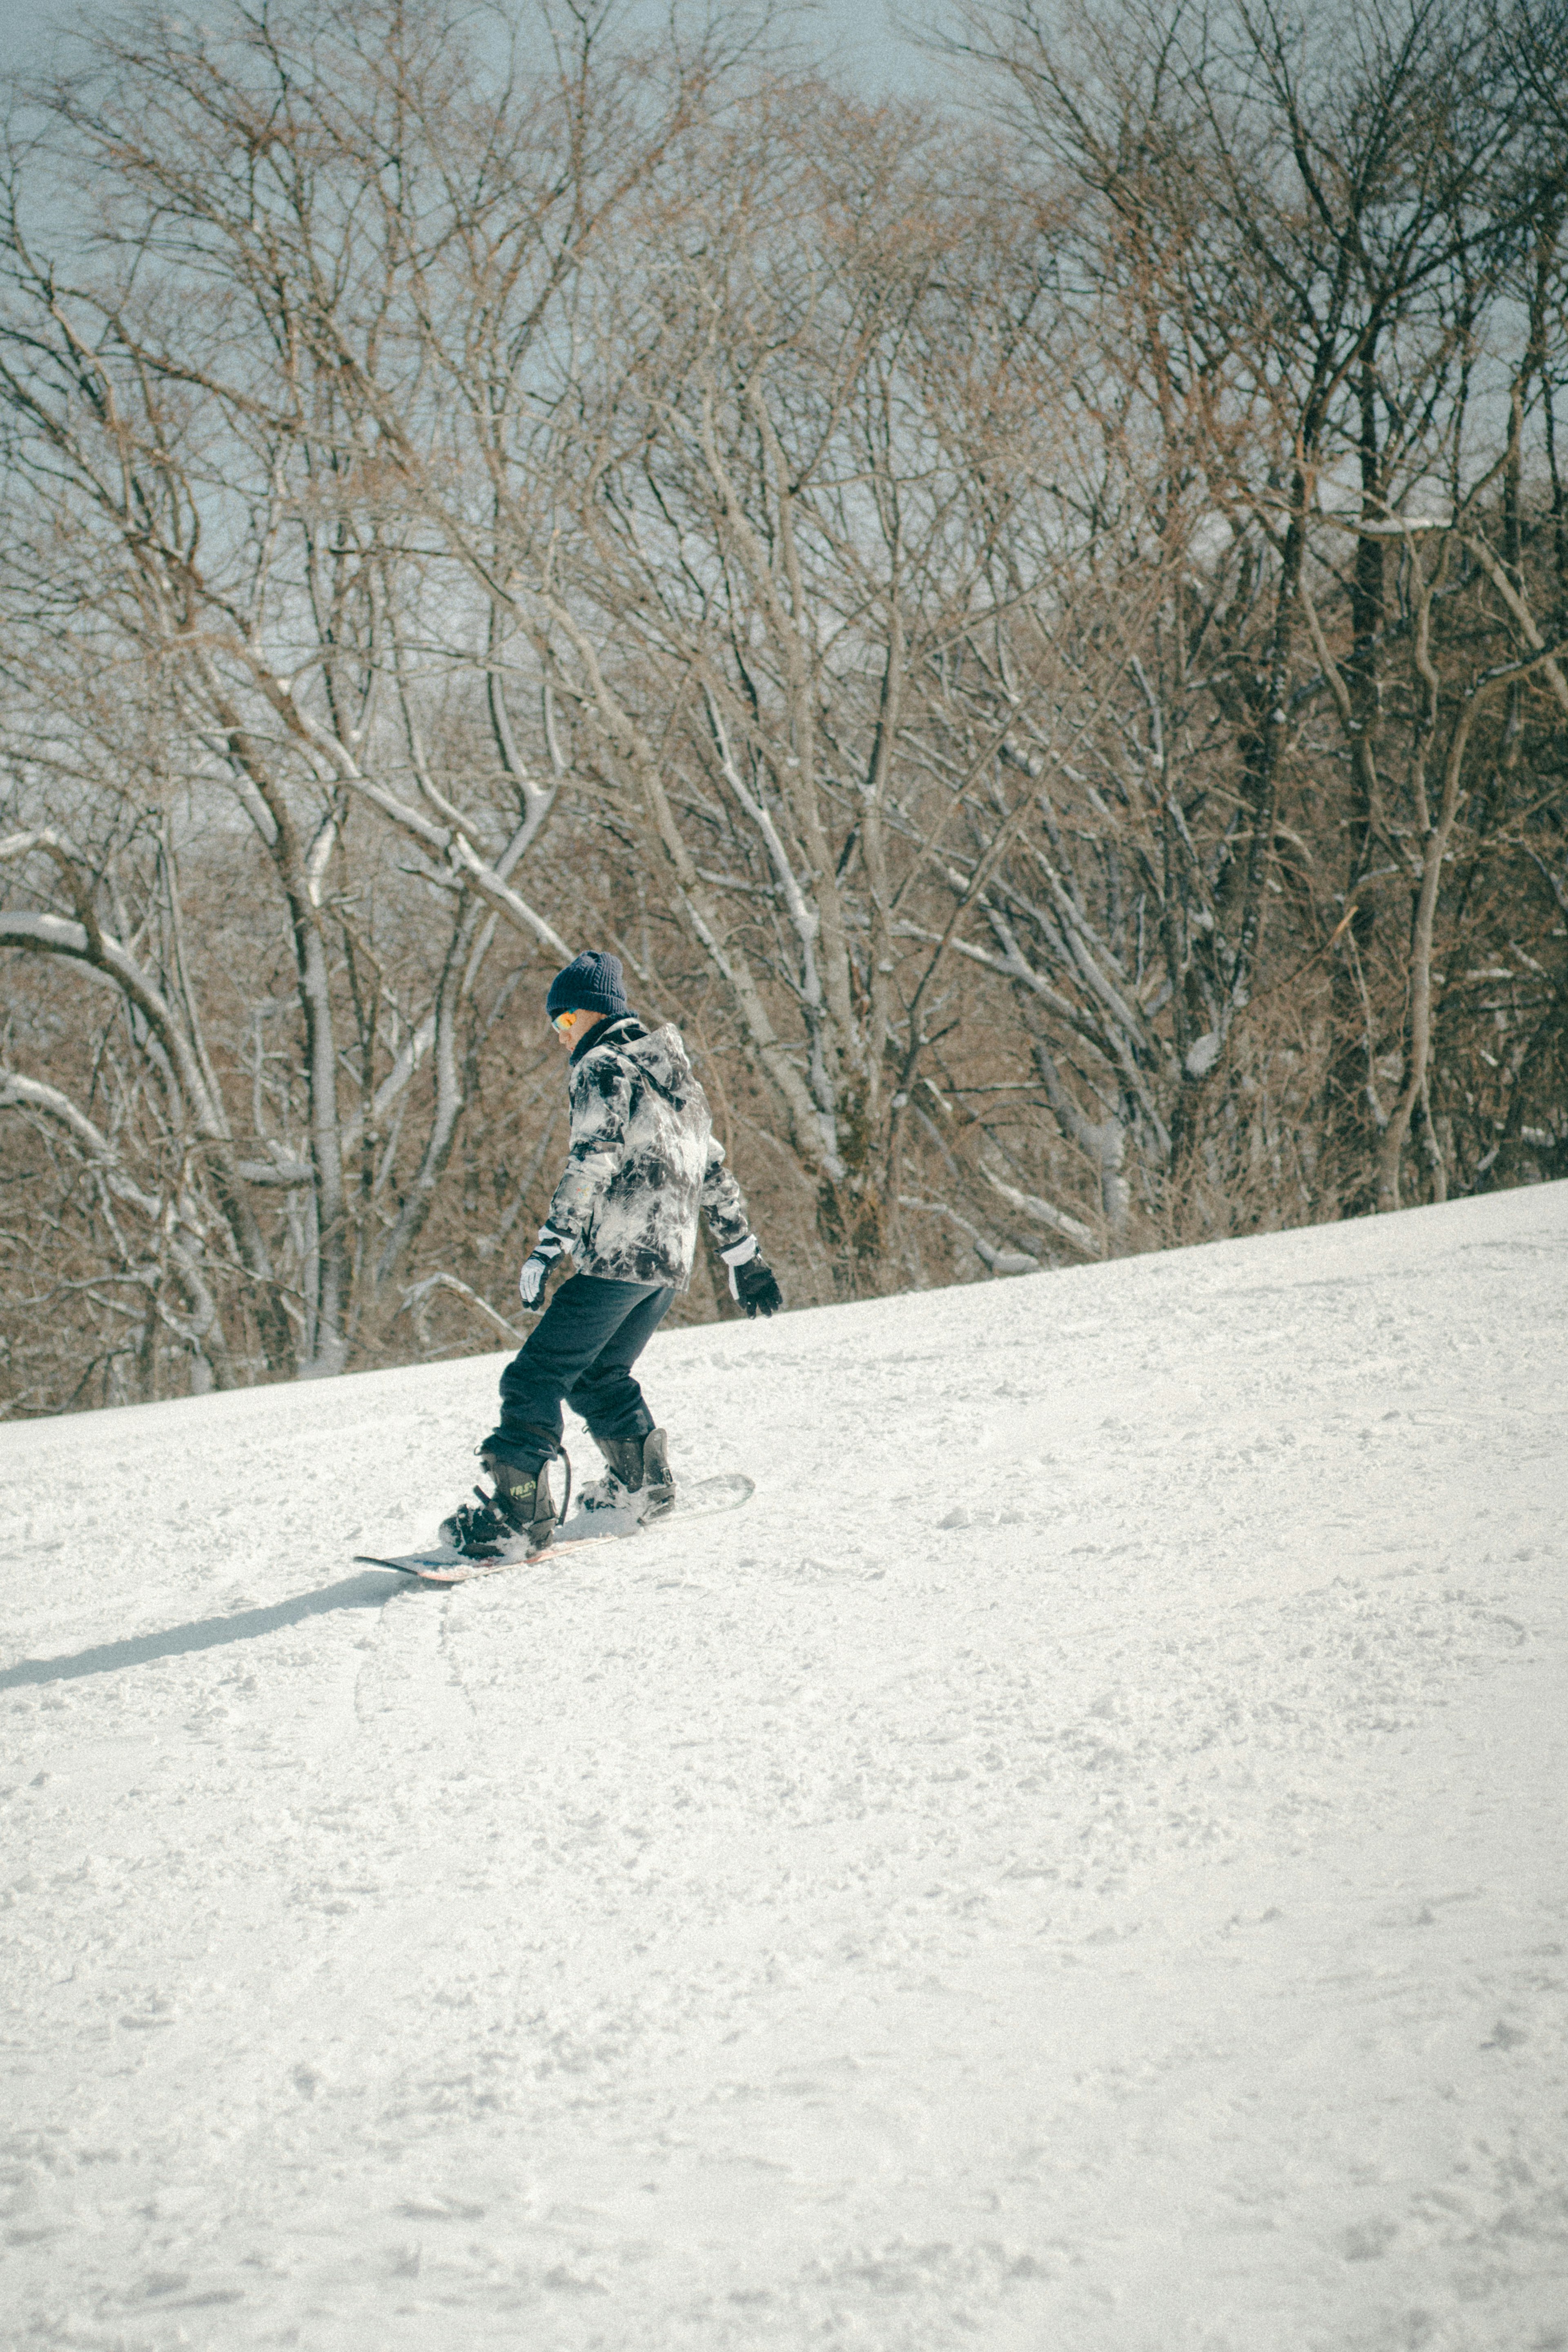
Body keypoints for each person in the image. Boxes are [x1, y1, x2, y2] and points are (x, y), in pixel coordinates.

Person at [441, 950, 782, 1559]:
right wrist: (744, 1257)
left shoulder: (601, 1066)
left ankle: (519, 1517)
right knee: (599, 1376)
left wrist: (552, 1244)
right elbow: (714, 1174)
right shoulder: (680, 1084)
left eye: (563, 1021)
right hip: (666, 1269)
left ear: (589, 1011)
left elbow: (592, 1158)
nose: (561, 1036)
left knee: (533, 1378)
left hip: (618, 1259)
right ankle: (643, 1483)